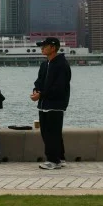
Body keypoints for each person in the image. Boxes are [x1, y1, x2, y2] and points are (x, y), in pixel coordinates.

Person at [31, 37, 72, 170]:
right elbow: (39, 81)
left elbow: (59, 87)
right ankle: (60, 157)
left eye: (44, 46)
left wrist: (41, 95)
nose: (42, 48)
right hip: (44, 105)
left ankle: (52, 160)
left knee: (52, 133)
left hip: (56, 104)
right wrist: (36, 91)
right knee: (48, 132)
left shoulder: (62, 65)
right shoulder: (45, 64)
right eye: (41, 46)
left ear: (53, 48)